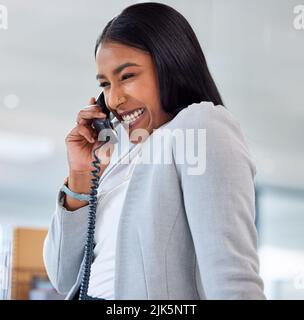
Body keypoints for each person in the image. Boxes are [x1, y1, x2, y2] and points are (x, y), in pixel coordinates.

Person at [43, 2, 265, 300]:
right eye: (105, 84)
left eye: (127, 76)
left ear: (169, 63)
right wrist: (81, 176)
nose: (114, 99)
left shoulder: (201, 126)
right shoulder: (123, 163)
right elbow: (63, 277)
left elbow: (232, 278)